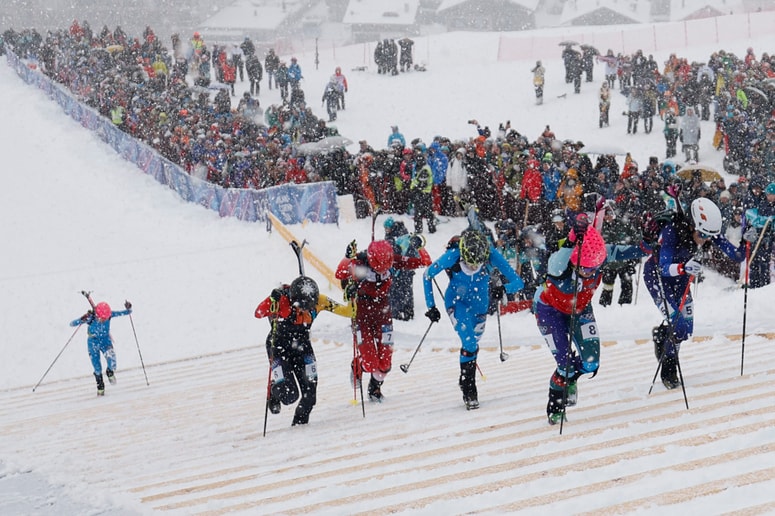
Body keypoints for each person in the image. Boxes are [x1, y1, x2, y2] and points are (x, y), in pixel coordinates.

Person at [535, 215, 649, 424]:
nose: (590, 273)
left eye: (594, 269)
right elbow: (555, 262)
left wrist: (647, 244)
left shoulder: (598, 257)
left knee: (591, 362)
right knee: (565, 365)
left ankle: (571, 378)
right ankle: (556, 405)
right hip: (549, 311)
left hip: (579, 310)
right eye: (585, 268)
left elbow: (632, 251)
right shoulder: (561, 265)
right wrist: (571, 238)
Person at [644, 198, 749, 390]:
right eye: (702, 234)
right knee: (678, 326)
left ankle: (662, 336)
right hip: (659, 278)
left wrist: (746, 239)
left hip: (681, 279)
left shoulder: (706, 231)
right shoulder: (671, 231)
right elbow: (664, 268)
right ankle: (669, 369)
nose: (705, 239)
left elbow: (736, 256)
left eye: (709, 236)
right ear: (693, 224)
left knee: (686, 329)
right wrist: (684, 267)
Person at [423, 228, 524, 410]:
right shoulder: (453, 255)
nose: (472, 267)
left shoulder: (491, 255)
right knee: (469, 343)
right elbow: (427, 275)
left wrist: (502, 289)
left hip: (480, 305)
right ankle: (469, 388)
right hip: (457, 303)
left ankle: (464, 377)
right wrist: (431, 306)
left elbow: (518, 282)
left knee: (472, 345)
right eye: (469, 264)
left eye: (476, 265)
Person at [254, 276, 352, 426]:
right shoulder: (282, 300)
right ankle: (274, 391)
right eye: (301, 307)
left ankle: (299, 425)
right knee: (289, 395)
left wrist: (352, 295)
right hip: (279, 348)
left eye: (309, 308)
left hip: (302, 347)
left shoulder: (320, 300)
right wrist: (271, 299)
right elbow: (259, 313)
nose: (304, 311)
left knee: (310, 396)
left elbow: (348, 312)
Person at [335, 240, 398, 402]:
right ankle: (358, 366)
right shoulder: (360, 265)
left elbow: (423, 262)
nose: (383, 269)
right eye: (379, 265)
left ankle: (374, 388)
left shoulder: (391, 260)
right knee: (370, 363)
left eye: (386, 265)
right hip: (362, 316)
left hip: (383, 316)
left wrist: (420, 245)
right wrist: (347, 258)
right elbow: (340, 274)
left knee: (385, 364)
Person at [70, 300, 133, 396]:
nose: (104, 320)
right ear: (97, 315)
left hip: (105, 341)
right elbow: (72, 323)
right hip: (93, 342)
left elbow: (126, 312)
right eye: (101, 318)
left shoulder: (110, 315)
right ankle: (100, 386)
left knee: (112, 361)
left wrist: (128, 308)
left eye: (105, 318)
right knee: (97, 367)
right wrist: (83, 318)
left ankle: (110, 371)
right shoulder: (91, 317)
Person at [384, 217, 432, 320]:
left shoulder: (398, 237)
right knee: (406, 291)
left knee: (398, 291)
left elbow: (396, 251)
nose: (386, 230)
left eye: (387, 227)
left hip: (402, 268)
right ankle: (407, 312)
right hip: (405, 269)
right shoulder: (398, 234)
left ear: (392, 227)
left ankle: (398, 313)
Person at [411, 154, 436, 234]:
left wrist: (415, 188)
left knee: (419, 212)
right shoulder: (425, 168)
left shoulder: (424, 169)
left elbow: (422, 183)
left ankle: (420, 228)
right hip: (425, 193)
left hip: (423, 193)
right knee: (428, 212)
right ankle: (431, 227)